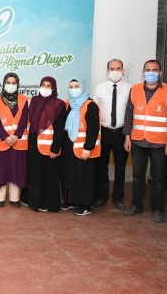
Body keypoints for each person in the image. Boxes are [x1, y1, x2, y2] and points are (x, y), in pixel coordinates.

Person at [123, 59, 167, 223]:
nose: (151, 72)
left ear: (160, 73)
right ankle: (136, 205)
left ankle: (158, 208)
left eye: (154, 70)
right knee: (138, 175)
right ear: (142, 73)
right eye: (148, 69)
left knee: (158, 177)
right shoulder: (134, 89)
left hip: (159, 143)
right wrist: (127, 136)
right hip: (138, 140)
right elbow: (129, 114)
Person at [21, 76, 66, 212]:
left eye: (48, 86)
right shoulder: (34, 101)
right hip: (34, 144)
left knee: (48, 176)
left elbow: (59, 129)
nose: (45, 88)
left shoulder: (59, 104)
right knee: (34, 173)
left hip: (49, 147)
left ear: (53, 88)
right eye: (43, 85)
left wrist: (55, 148)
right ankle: (33, 201)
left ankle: (46, 203)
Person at [93, 59, 132, 210]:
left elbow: (130, 113)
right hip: (103, 132)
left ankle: (118, 197)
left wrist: (128, 135)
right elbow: (94, 112)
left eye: (118, 68)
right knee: (101, 166)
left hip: (121, 133)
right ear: (107, 71)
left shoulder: (130, 89)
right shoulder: (99, 88)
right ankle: (102, 196)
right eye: (112, 68)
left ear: (123, 70)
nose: (115, 71)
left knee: (120, 166)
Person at [60, 78, 101, 216]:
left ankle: (85, 205)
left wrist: (88, 148)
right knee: (70, 174)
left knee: (84, 176)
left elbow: (93, 129)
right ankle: (71, 200)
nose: (73, 89)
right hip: (69, 147)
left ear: (82, 87)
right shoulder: (68, 104)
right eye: (71, 86)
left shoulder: (90, 105)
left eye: (76, 86)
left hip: (83, 148)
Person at [0, 73, 29, 208]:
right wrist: (6, 136)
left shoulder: (24, 100)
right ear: (4, 83)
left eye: (14, 83)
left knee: (16, 170)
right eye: (8, 82)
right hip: (2, 142)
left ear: (17, 84)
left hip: (19, 143)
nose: (11, 85)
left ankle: (14, 198)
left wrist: (16, 135)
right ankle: (0, 198)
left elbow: (24, 120)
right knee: (1, 169)